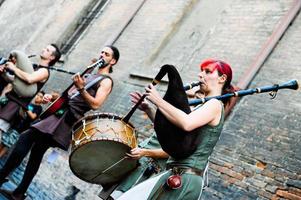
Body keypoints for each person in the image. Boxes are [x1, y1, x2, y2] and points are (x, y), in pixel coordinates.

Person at [0, 45, 120, 200]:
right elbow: (71, 96)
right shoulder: (89, 73)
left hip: (65, 122)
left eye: (107, 54)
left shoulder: (106, 81)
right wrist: (52, 97)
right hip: (58, 115)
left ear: (113, 61)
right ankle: (19, 193)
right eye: (101, 52)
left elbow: (96, 104)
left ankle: (3, 177)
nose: (102, 55)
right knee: (36, 153)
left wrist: (82, 89)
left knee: (26, 138)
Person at [117, 59, 235, 200]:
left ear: (222, 78)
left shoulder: (215, 104)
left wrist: (159, 101)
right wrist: (149, 108)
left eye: (208, 71)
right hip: (175, 173)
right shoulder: (204, 106)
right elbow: (173, 131)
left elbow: (186, 123)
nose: (200, 75)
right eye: (202, 70)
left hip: (185, 178)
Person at [100, 92, 169, 200]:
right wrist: (148, 109)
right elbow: (164, 129)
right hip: (137, 162)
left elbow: (177, 151)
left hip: (149, 170)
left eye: (194, 96)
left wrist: (146, 152)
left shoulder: (195, 120)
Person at [0, 44, 61, 140]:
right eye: (45, 47)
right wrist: (4, 72)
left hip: (15, 105)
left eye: (47, 50)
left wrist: (14, 68)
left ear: (52, 57)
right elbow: (14, 81)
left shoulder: (44, 71)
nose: (43, 49)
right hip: (8, 100)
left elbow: (29, 79)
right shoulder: (35, 67)